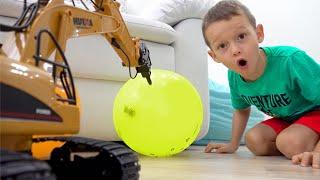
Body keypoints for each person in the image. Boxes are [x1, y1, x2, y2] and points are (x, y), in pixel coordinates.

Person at [202, 0, 320, 168]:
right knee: (254, 140)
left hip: (316, 112)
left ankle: (301, 144)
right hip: (288, 119)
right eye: (222, 46)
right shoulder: (234, 76)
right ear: (215, 57)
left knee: (290, 142)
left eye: (241, 37)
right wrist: (233, 144)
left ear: (259, 34)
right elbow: (241, 110)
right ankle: (296, 143)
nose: (235, 50)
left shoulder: (290, 60)